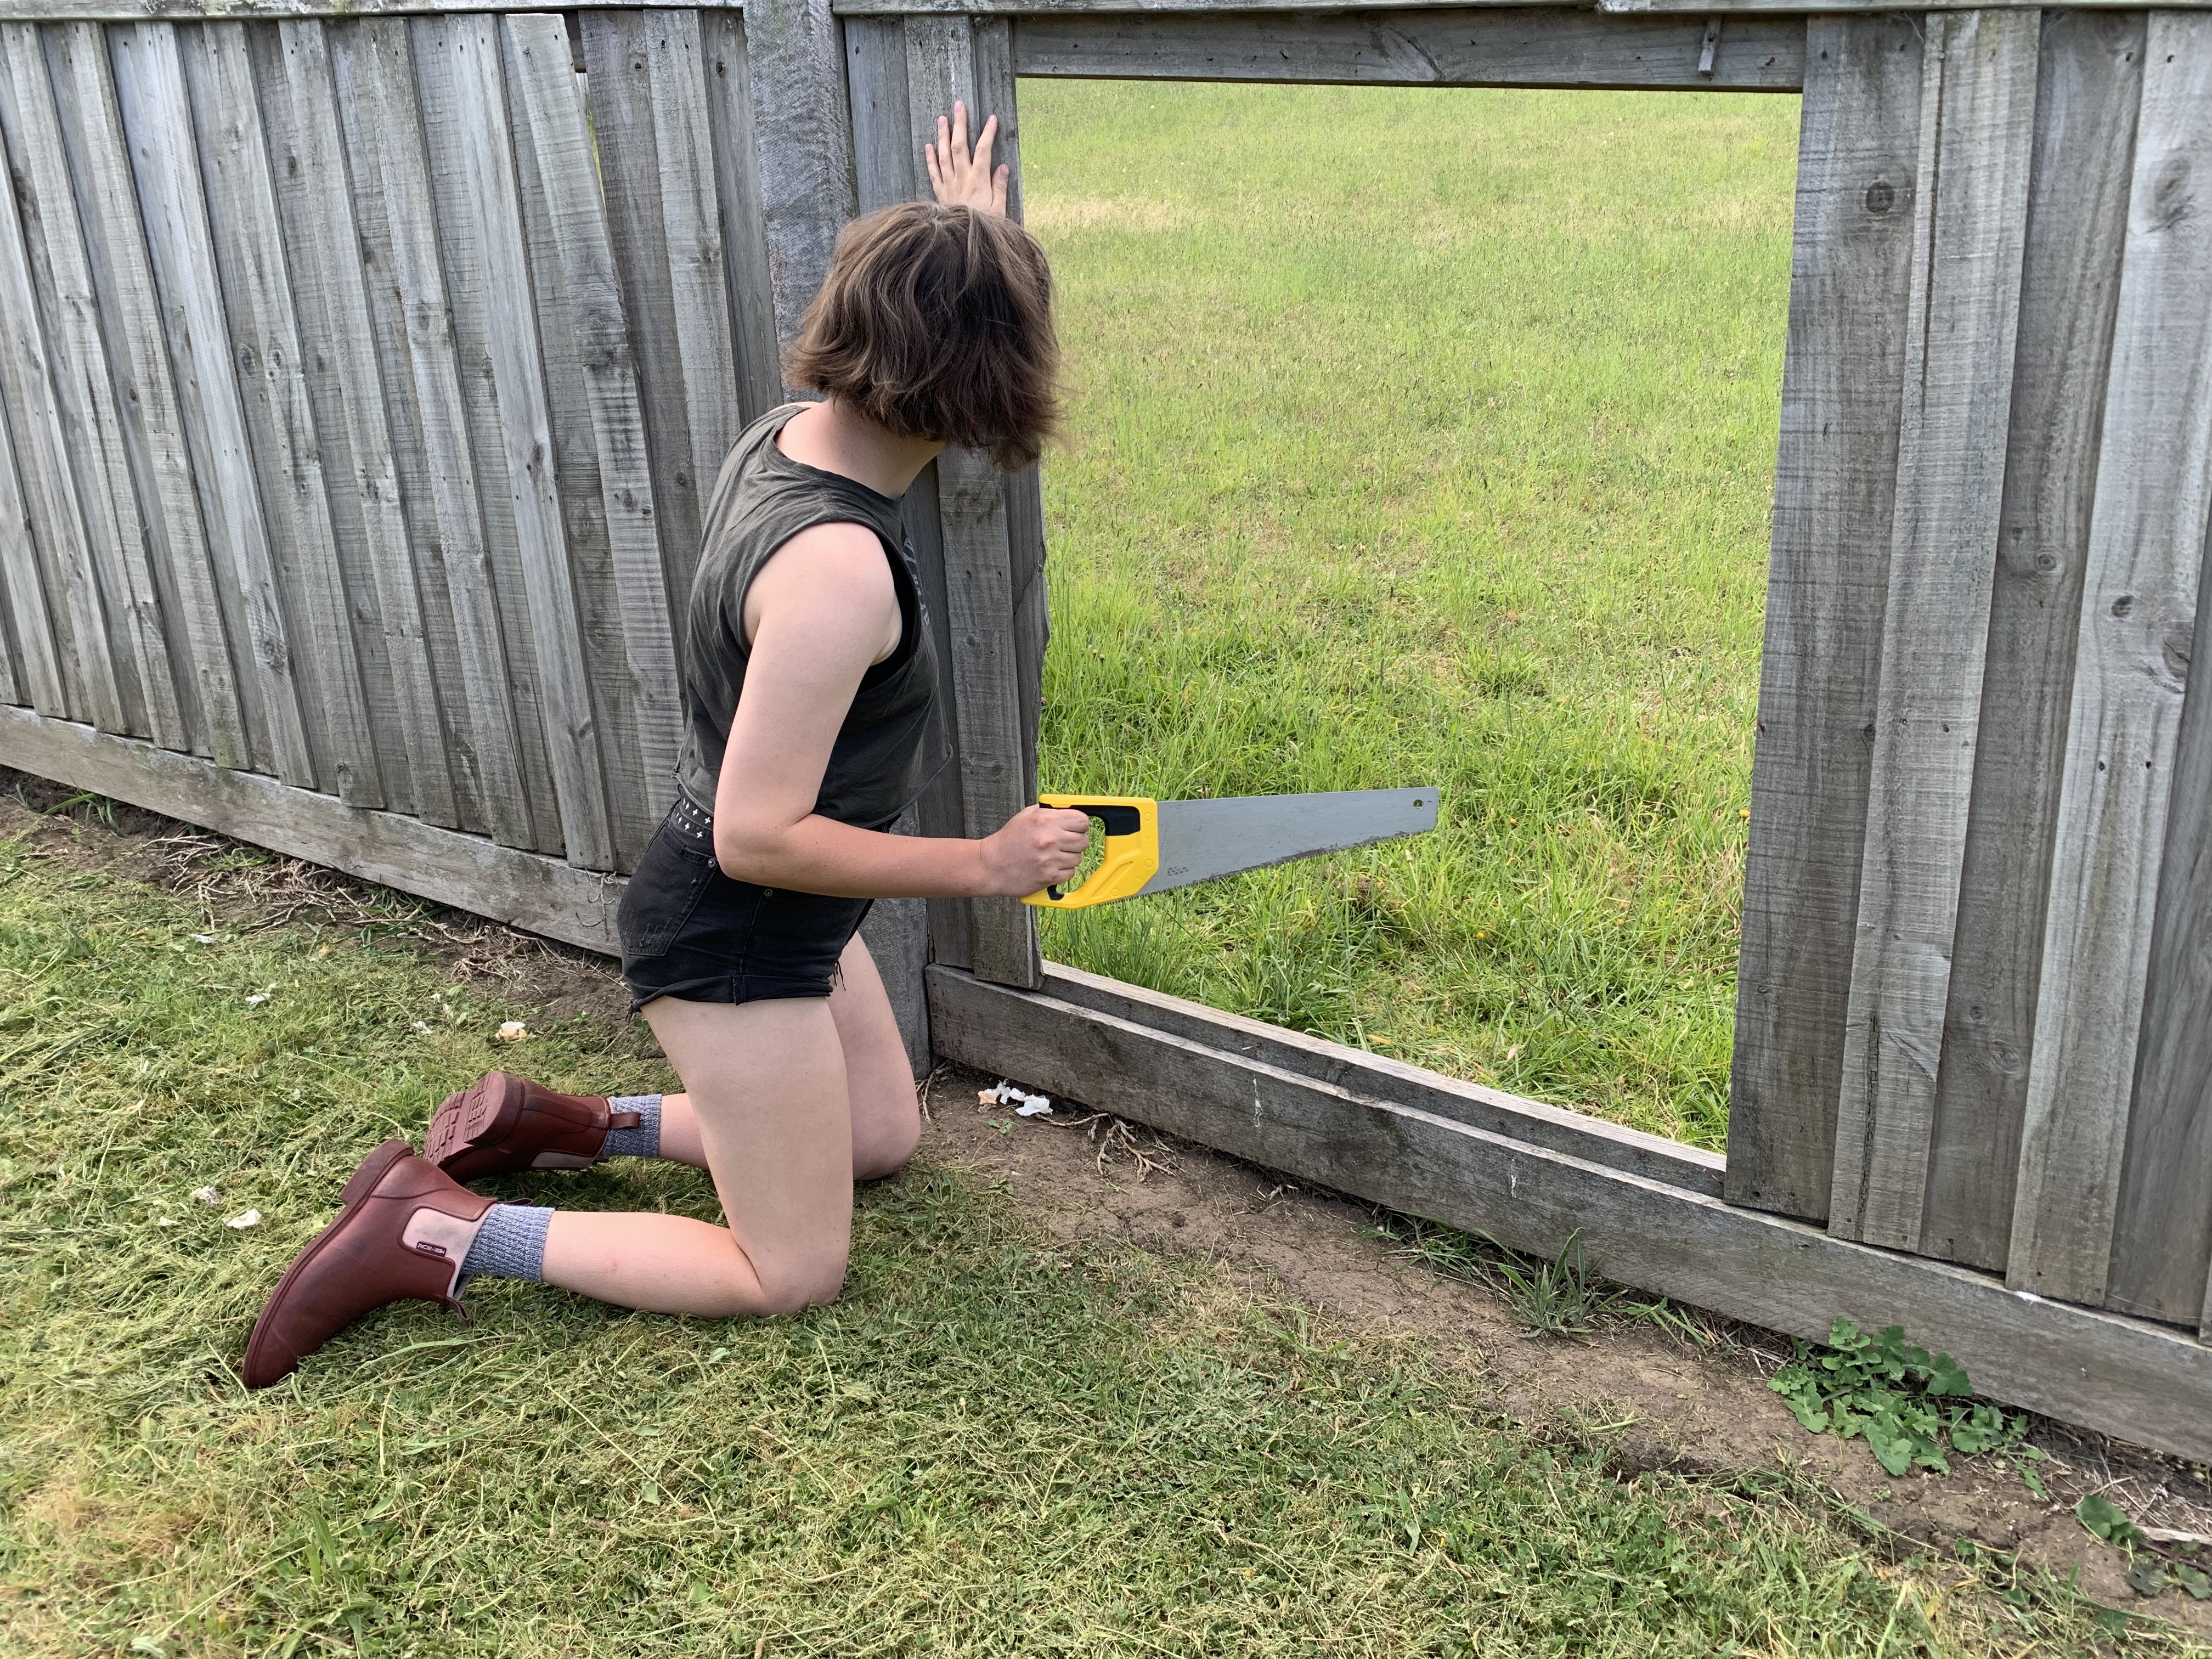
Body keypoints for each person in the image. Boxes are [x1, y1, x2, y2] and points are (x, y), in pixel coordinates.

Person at [242, 104, 1093, 1389]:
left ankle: (563, 1123)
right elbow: (760, 832)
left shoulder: (788, 432)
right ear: (983, 376)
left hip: (789, 918)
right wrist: (984, 865)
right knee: (791, 1269)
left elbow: (923, 317)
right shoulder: (836, 571)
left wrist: (966, 234)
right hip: (736, 923)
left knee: (879, 1137)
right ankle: (440, 1228)